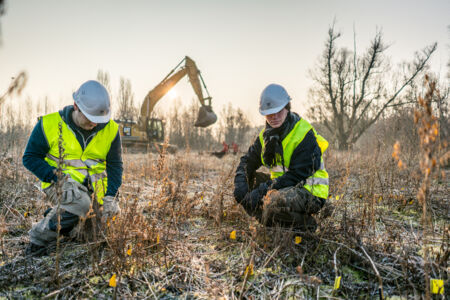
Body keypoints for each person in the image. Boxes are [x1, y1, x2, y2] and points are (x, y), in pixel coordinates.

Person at [22, 80, 123, 255]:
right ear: (76, 106)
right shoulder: (49, 124)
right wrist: (57, 178)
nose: (95, 124)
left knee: (98, 232)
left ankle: (68, 221)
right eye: (90, 118)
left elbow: (115, 166)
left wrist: (110, 196)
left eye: (99, 120)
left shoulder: (111, 129)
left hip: (96, 186)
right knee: (80, 204)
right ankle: (38, 239)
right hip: (61, 184)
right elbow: (30, 157)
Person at [233, 84, 329, 231]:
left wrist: (263, 191)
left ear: (287, 108)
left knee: (272, 202)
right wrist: (240, 183)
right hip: (283, 187)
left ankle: (306, 226)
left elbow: (297, 175)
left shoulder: (304, 134)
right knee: (247, 183)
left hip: (310, 191)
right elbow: (247, 161)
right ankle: (273, 225)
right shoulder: (264, 136)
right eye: (269, 113)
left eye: (278, 111)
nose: (274, 117)